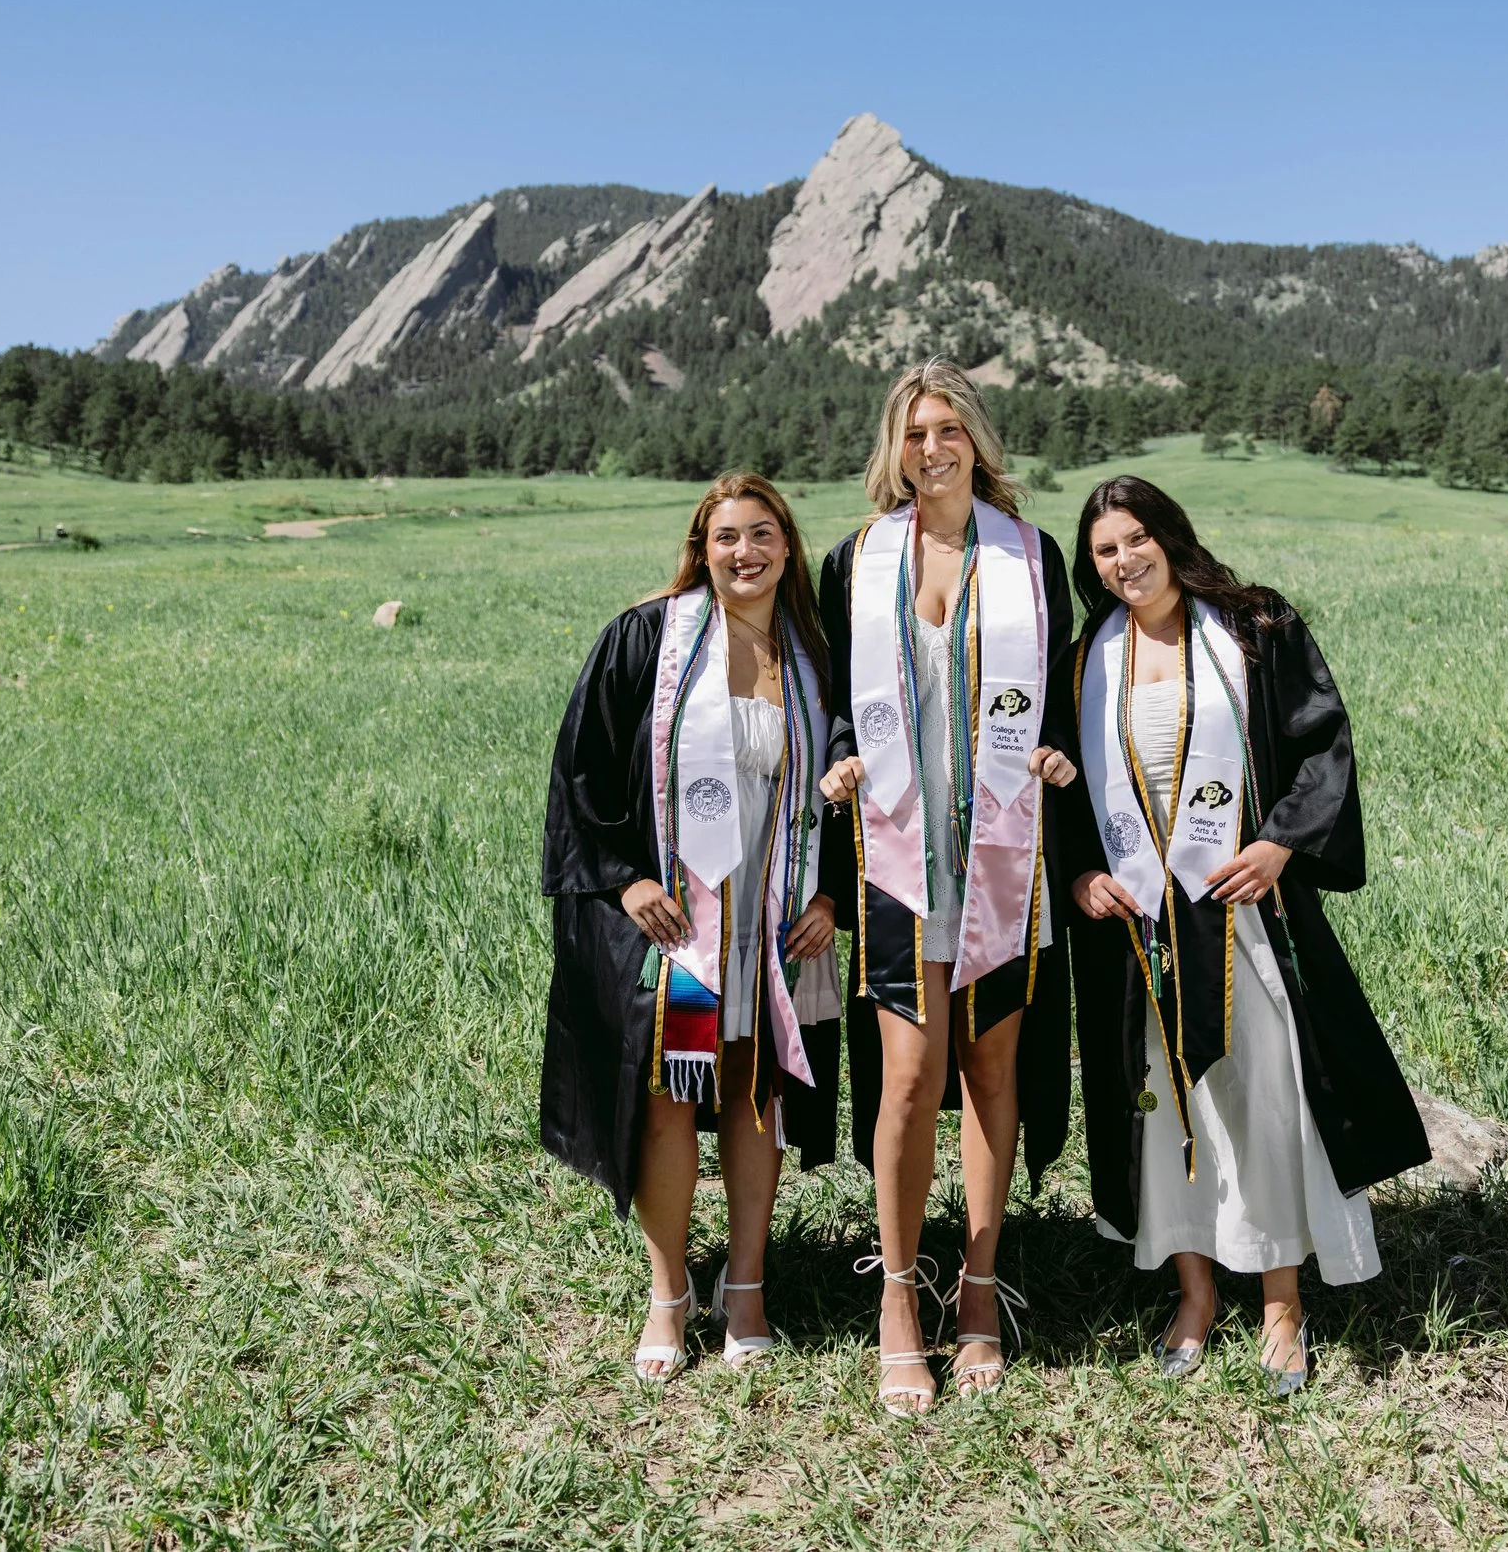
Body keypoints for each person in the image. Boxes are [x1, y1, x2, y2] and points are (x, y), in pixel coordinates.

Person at [1056, 475, 1430, 1395]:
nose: (1124, 560)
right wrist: (1080, 875)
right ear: (1090, 565)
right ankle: (1193, 1294)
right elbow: (1063, 794)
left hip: (1238, 915)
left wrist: (1278, 845)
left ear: (1170, 536)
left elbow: (1322, 746)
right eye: (1105, 550)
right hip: (1137, 929)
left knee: (1265, 1097)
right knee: (1163, 1109)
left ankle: (1279, 1302)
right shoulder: (1083, 660)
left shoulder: (1256, 630)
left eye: (1137, 538)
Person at [539, 472, 847, 1382]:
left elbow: (850, 783)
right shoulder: (647, 639)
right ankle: (668, 1291)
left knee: (759, 1095)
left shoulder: (814, 656)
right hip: (683, 921)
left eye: (762, 535)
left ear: (788, 546)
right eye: (726, 538)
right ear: (700, 547)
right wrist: (626, 879)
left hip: (776, 916)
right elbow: (582, 771)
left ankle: (745, 1284)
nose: (744, 553)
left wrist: (829, 895)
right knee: (669, 1103)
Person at [817, 358, 1078, 1414]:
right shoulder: (857, 560)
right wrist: (839, 754)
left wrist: (1058, 751)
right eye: (917, 431)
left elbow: (1062, 684)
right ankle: (896, 1297)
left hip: (1003, 850)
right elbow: (831, 684)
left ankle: (977, 1287)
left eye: (951, 429)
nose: (934, 448)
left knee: (990, 1066)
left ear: (977, 438)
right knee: (909, 1076)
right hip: (896, 849)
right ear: (896, 443)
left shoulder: (1030, 555)